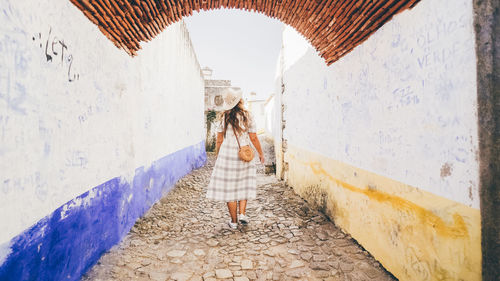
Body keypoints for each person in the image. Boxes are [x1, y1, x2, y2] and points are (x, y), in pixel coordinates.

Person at [206, 87, 265, 230]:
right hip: (244, 153)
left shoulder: (224, 117)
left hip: (227, 155)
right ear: (240, 100)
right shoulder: (247, 116)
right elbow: (254, 137)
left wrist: (218, 155)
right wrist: (260, 153)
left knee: (229, 189)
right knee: (243, 183)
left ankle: (233, 222)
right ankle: (242, 214)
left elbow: (219, 139)